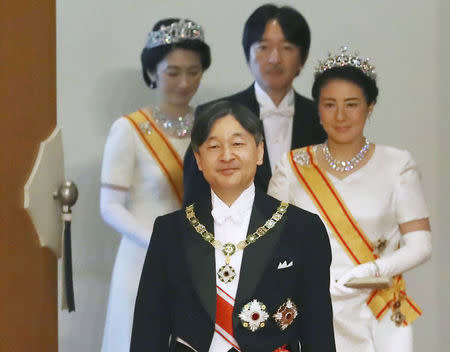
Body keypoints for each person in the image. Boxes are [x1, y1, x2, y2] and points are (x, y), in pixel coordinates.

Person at [131, 100, 335, 352]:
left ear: (259, 151)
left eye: (238, 144)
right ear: (199, 159)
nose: (227, 156)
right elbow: (149, 330)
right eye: (214, 146)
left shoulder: (302, 228)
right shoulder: (170, 231)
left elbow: (319, 332)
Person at [268, 47, 432, 352]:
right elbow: (269, 241)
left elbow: (421, 245)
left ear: (370, 107)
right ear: (317, 108)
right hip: (311, 308)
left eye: (352, 104)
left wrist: (374, 270)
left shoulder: (397, 164)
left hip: (378, 307)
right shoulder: (292, 167)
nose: (340, 116)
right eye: (329, 105)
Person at [99, 18, 211, 352]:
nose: (184, 82)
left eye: (193, 71)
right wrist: (160, 243)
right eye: (173, 72)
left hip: (199, 259)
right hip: (143, 258)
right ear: (152, 72)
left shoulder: (211, 126)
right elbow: (110, 207)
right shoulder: (129, 129)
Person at [183, 4, 326, 205]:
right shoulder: (212, 115)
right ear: (248, 55)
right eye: (263, 47)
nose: (275, 58)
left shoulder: (323, 117)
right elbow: (195, 197)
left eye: (287, 48)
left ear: (302, 59)